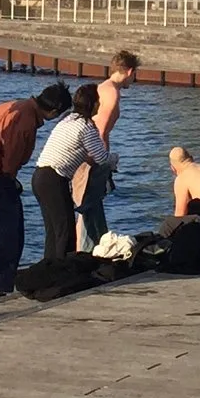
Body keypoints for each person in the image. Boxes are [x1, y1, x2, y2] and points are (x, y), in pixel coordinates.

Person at [0, 81, 72, 297]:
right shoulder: (25, 119)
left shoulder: (13, 106)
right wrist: (11, 180)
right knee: (4, 233)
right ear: (54, 111)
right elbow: (11, 158)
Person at [32, 83, 111, 262]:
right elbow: (101, 158)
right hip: (54, 179)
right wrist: (114, 159)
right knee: (66, 231)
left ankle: (49, 268)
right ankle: (62, 271)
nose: (100, 105)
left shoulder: (68, 118)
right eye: (98, 101)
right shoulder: (86, 127)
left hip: (39, 176)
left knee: (53, 230)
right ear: (92, 104)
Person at [74, 51, 139, 249]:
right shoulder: (112, 93)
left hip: (88, 153)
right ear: (129, 71)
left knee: (86, 204)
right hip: (94, 156)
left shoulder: (102, 87)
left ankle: (84, 248)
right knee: (89, 203)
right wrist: (105, 161)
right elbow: (100, 130)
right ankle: (85, 249)